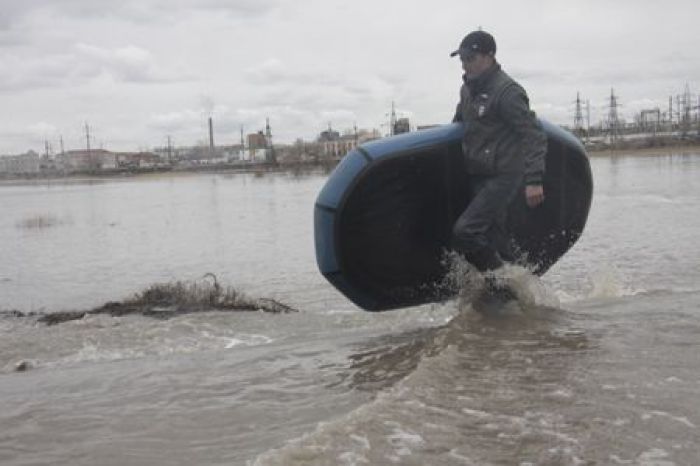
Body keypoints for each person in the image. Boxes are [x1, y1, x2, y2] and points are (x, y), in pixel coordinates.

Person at [450, 30, 547, 291]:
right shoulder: (467, 90)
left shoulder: (507, 92)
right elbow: (458, 126)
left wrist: (534, 180)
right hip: (478, 175)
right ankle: (523, 296)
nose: (465, 64)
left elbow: (533, 135)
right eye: (462, 58)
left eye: (470, 57)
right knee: (497, 241)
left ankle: (507, 281)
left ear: (489, 57)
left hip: (504, 176)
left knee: (465, 232)